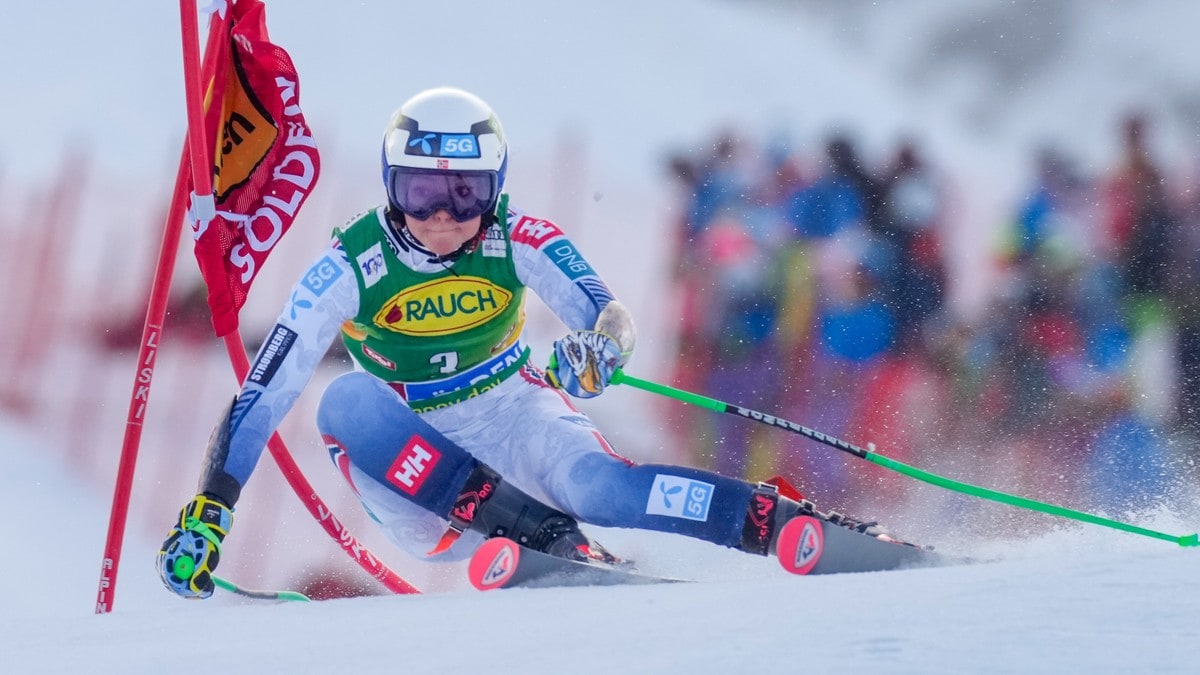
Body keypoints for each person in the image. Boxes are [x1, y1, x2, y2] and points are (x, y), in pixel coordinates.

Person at [157, 87, 881, 599]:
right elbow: (268, 387)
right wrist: (211, 507)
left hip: (514, 410)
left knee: (603, 486)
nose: (442, 217)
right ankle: (541, 534)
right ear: (390, 188)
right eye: (419, 193)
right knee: (343, 401)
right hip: (417, 467)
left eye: (464, 194)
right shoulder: (350, 264)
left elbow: (610, 316)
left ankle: (772, 519)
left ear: (494, 189)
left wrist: (597, 350)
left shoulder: (515, 237)